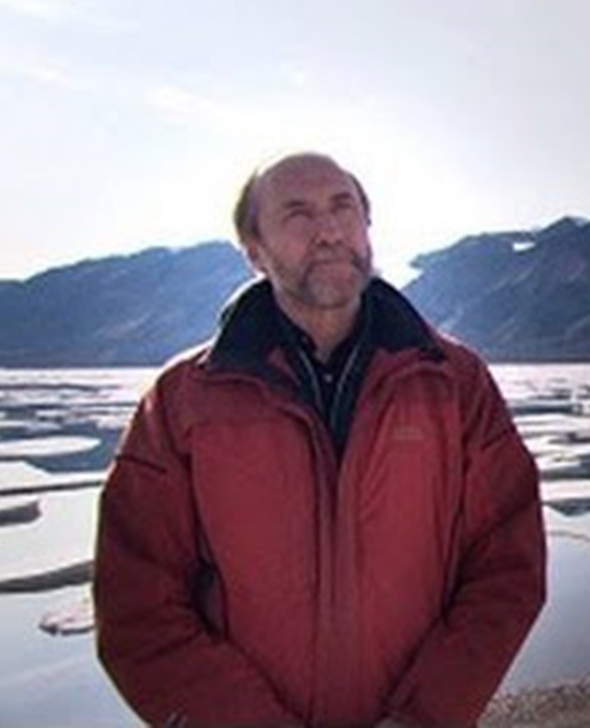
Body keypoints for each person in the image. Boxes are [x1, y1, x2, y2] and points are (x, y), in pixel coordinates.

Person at [94, 152, 546, 727]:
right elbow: (137, 605)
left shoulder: (454, 384)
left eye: (343, 207)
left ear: (367, 227)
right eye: (298, 214)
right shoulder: (185, 401)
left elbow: (508, 564)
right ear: (254, 251)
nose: (329, 231)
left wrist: (426, 715)